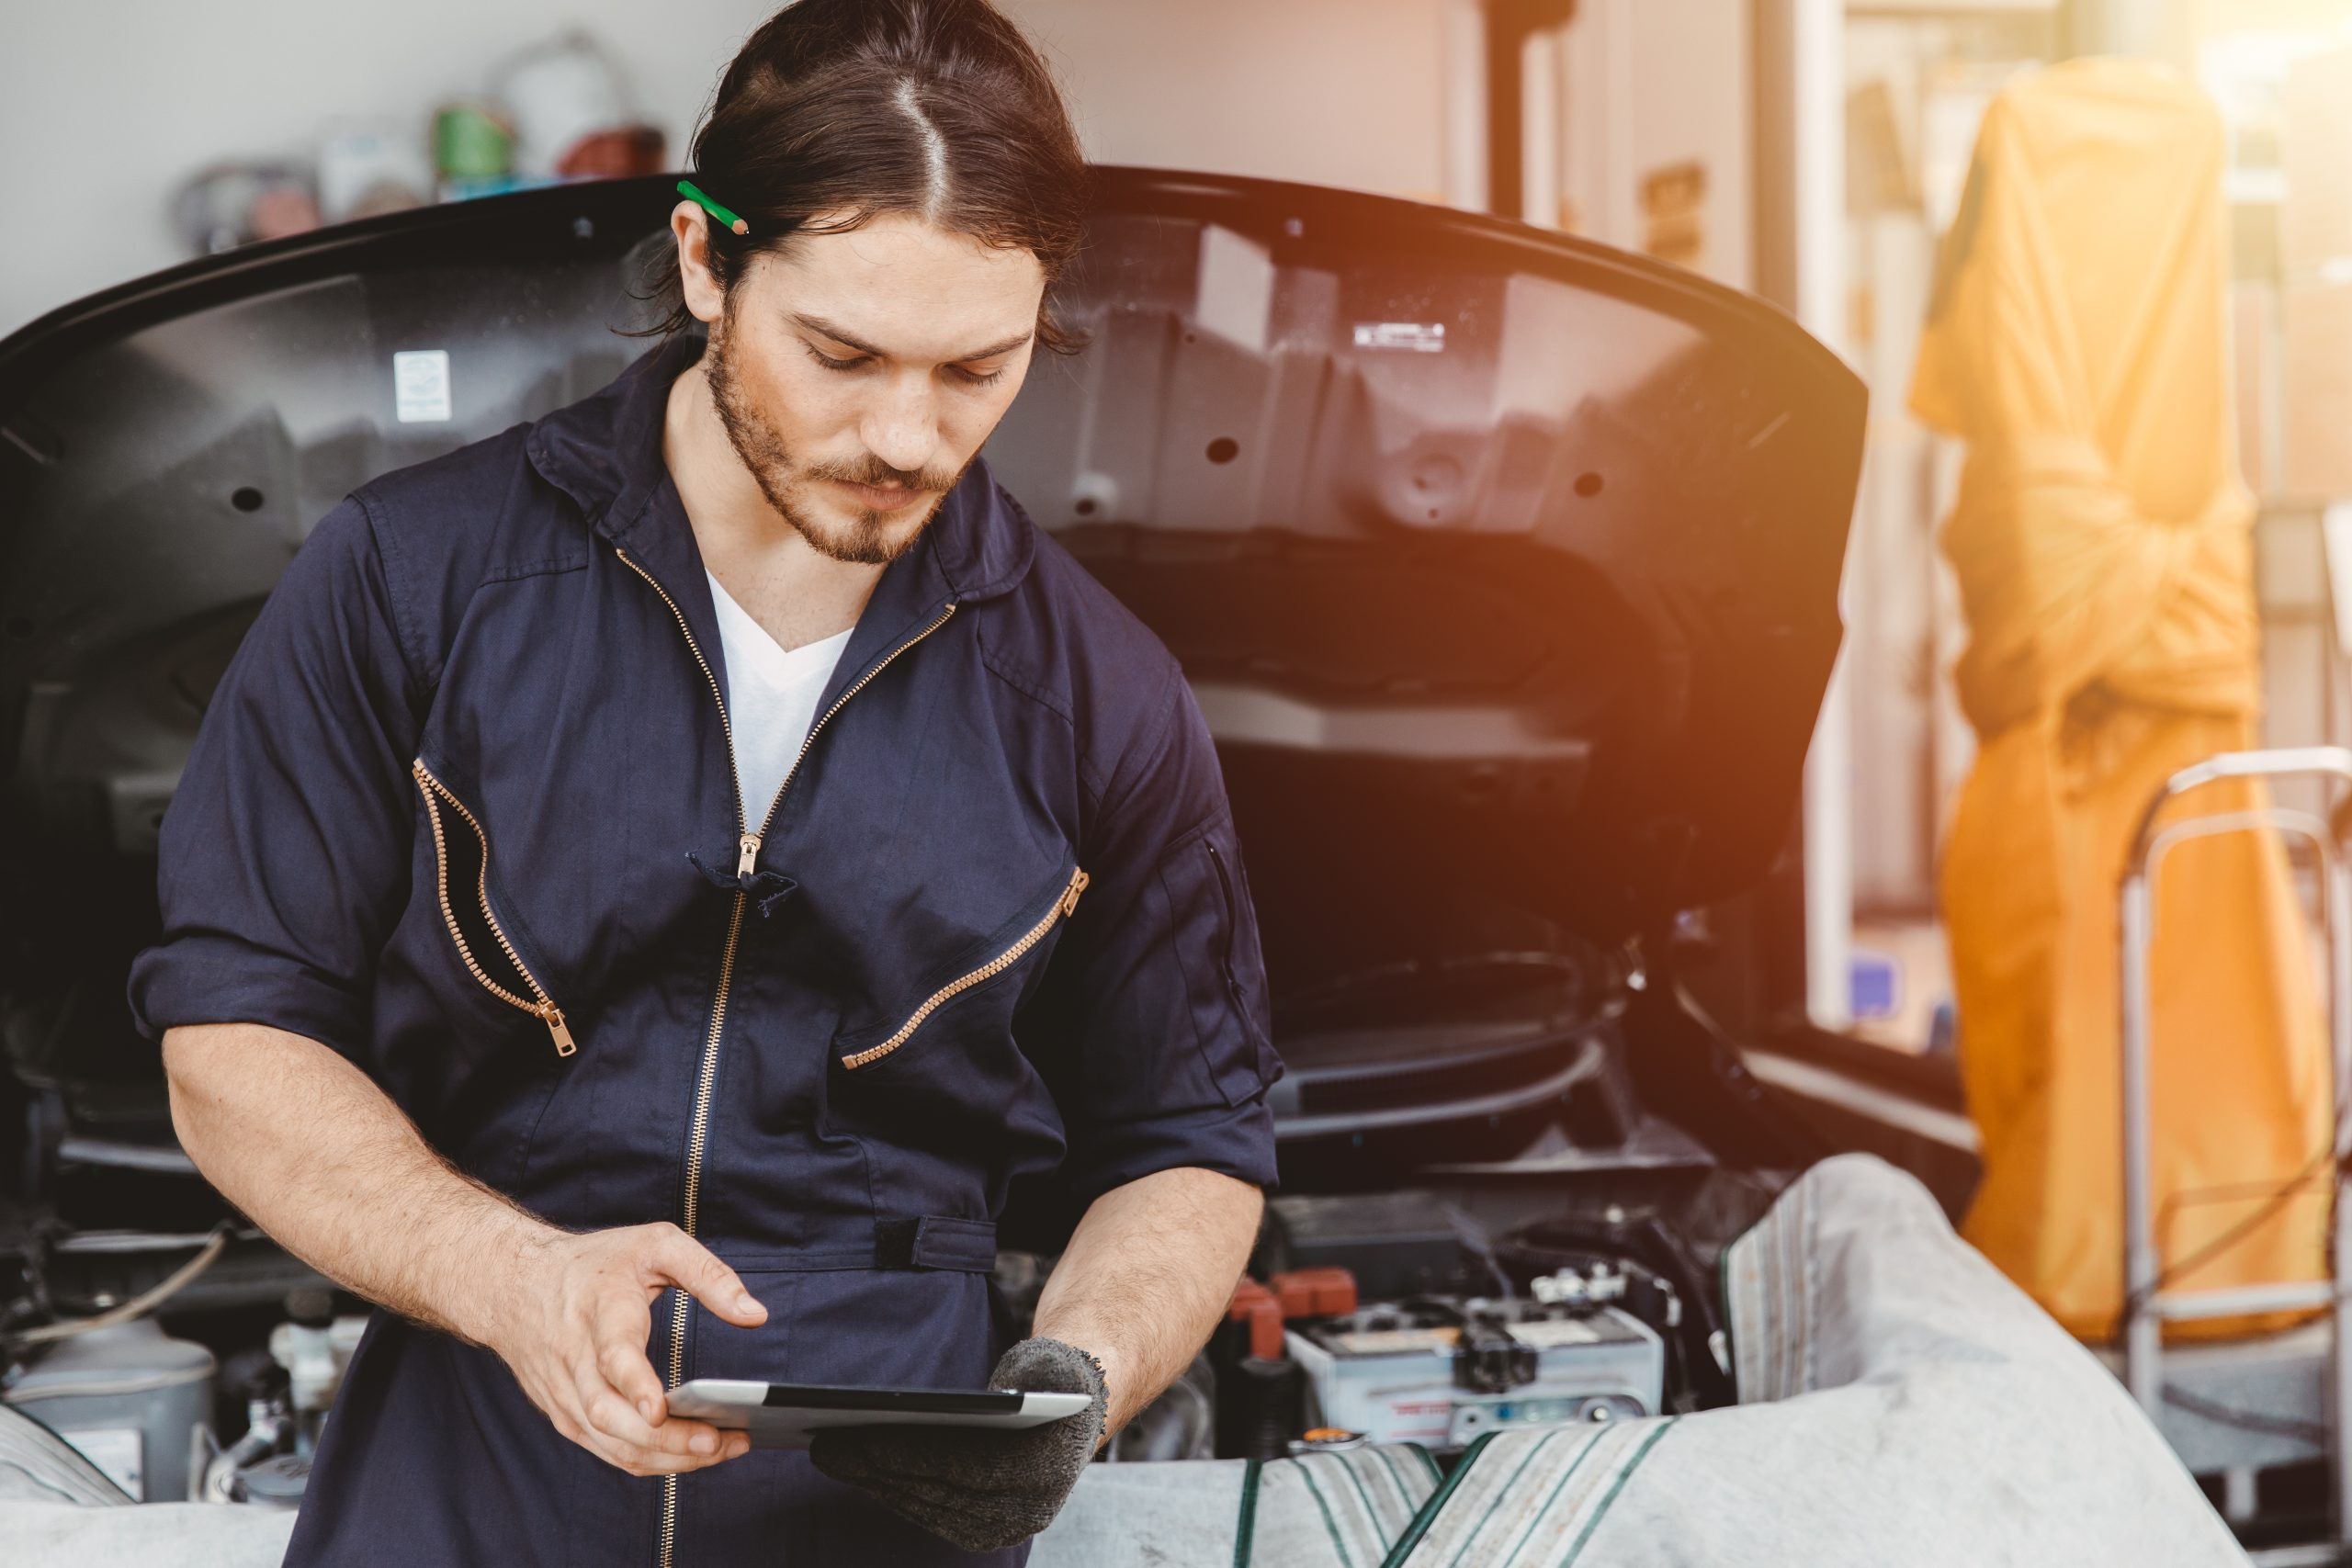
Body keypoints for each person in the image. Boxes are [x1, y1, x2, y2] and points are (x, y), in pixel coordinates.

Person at [129, 2, 1283, 1562]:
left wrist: (1082, 1379)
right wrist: (518, 1280)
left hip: (887, 1492)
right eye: (842, 352)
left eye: (976, 369)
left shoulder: (1106, 696)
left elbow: (1188, 1141)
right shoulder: (408, 582)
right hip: (473, 1446)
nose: (903, 435)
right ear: (702, 261)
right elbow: (233, 1032)